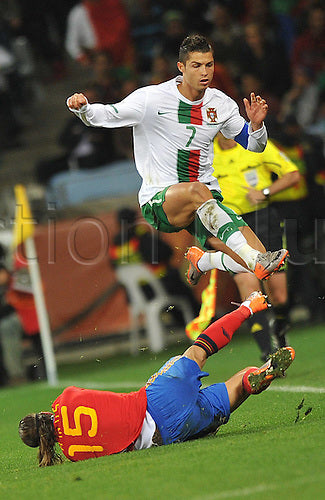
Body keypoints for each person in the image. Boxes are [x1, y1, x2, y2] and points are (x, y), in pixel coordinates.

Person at [66, 34, 288, 284]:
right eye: (196, 65)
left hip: (207, 203)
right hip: (161, 200)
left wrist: (257, 125)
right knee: (199, 194)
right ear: (181, 68)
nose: (204, 72)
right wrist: (83, 108)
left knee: (259, 259)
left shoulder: (221, 103)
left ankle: (205, 261)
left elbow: (254, 145)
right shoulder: (152, 98)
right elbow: (107, 114)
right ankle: (251, 259)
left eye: (209, 64)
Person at [18, 291, 295, 466]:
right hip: (155, 400)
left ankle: (251, 379)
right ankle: (248, 307)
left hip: (169, 434)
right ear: (43, 414)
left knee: (235, 390)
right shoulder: (64, 399)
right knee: (198, 350)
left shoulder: (73, 454)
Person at [187, 134, 300, 360]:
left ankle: (279, 336)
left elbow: (293, 174)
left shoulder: (256, 147)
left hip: (265, 219)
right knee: (250, 289)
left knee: (279, 295)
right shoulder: (207, 157)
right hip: (231, 226)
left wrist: (265, 192)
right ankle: (268, 353)